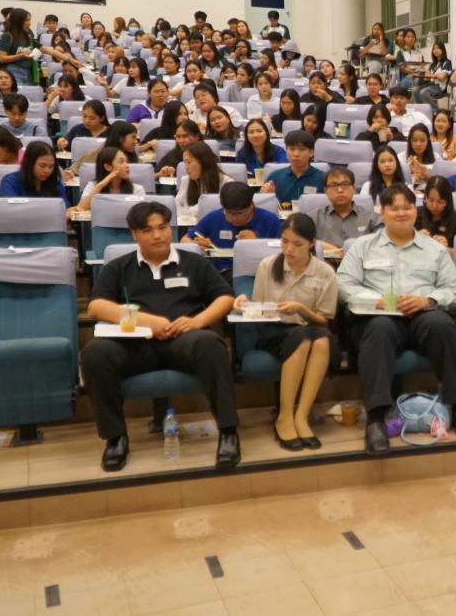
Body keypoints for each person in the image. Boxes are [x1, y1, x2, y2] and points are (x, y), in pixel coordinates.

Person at [82, 201, 240, 472]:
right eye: (148, 230)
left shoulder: (193, 263)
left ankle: (228, 432)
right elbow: (96, 307)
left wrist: (198, 321)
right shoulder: (119, 267)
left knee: (211, 344)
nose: (158, 235)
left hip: (183, 340)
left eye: (163, 227)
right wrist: (149, 322)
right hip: (136, 344)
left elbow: (225, 297)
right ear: (134, 234)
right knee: (94, 354)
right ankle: (115, 438)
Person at [336, 183, 456, 455]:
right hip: (379, 317)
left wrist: (427, 300)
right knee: (379, 328)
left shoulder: (434, 249)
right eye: (394, 208)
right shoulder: (363, 247)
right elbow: (343, 285)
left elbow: (454, 289)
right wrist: (376, 300)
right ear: (382, 212)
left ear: (416, 210)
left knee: (443, 326)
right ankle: (376, 418)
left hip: (422, 315)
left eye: (407, 207)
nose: (401, 213)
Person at [236, 212, 337, 449]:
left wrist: (301, 309)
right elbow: (260, 309)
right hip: (275, 330)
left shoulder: (325, 272)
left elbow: (323, 321)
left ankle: (301, 416)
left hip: (311, 327)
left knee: (322, 339)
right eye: (284, 241)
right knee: (304, 338)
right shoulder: (268, 265)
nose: (289, 249)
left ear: (311, 243)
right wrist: (244, 302)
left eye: (297, 244)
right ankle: (284, 416)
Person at [184, 182, 281, 275]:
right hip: (222, 272)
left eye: (239, 213)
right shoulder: (215, 217)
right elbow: (185, 240)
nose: (233, 218)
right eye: (229, 213)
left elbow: (280, 253)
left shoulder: (270, 221)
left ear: (251, 205)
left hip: (256, 272)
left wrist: (255, 245)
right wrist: (196, 246)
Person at [0, 8, 77, 85]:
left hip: (28, 72)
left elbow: (48, 50)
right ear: (19, 21)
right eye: (27, 20)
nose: (30, 23)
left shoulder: (27, 37)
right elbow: (2, 58)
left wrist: (70, 59)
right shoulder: (8, 36)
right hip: (13, 72)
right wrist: (21, 55)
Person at [308, 167, 377, 255]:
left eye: (345, 184)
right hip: (324, 262)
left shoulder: (371, 217)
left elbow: (384, 241)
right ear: (325, 191)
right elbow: (297, 238)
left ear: (354, 189)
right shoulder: (314, 217)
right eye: (334, 185)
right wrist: (318, 244)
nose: (340, 190)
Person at [0, 141, 70, 205]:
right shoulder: (10, 182)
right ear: (29, 163)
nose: (47, 170)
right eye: (42, 166)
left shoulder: (55, 184)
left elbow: (63, 208)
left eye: (51, 166)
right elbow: (9, 210)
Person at [261, 130, 323, 204]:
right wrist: (269, 196)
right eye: (292, 149)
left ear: (311, 152)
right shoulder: (275, 177)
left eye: (301, 149)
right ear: (286, 151)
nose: (296, 154)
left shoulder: (322, 178)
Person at [175, 141, 233, 217]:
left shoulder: (227, 183)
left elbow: (211, 208)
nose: (186, 167)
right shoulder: (186, 180)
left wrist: (185, 212)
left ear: (203, 162)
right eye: (185, 163)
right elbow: (176, 206)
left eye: (188, 162)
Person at [77, 146, 145, 209]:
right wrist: (100, 185)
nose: (127, 165)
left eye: (126, 162)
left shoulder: (137, 189)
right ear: (107, 167)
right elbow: (80, 208)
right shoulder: (93, 187)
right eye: (121, 162)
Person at [416, 176, 456, 250]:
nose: (434, 206)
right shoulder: (415, 214)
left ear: (447, 201)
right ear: (425, 198)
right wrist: (415, 239)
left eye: (440, 202)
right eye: (431, 200)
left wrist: (446, 249)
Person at [412, 41, 451, 109]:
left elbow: (442, 77)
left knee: (423, 92)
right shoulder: (433, 64)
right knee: (415, 90)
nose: (436, 50)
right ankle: (419, 110)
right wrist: (423, 68)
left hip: (439, 88)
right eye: (434, 49)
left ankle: (435, 111)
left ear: (443, 50)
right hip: (430, 85)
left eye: (438, 48)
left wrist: (431, 75)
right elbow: (427, 78)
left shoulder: (447, 62)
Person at [399, 123, 436, 188]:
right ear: (410, 141)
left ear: (428, 141)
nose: (418, 144)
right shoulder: (401, 158)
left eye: (422, 140)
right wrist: (411, 177)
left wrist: (425, 176)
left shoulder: (436, 157)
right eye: (414, 140)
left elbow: (439, 182)